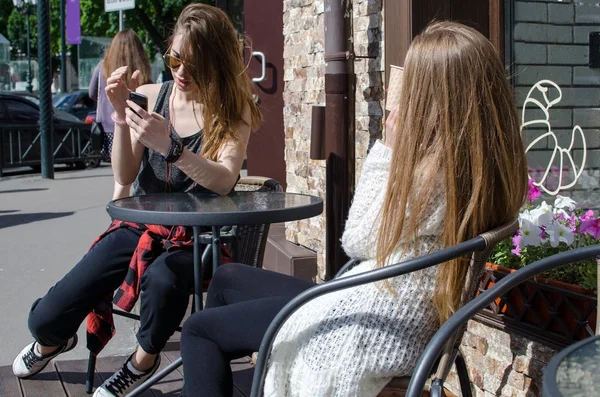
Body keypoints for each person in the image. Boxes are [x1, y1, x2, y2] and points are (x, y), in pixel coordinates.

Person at [178, 21, 529, 397]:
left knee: (200, 330)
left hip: (370, 325)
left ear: (432, 96)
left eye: (412, 82)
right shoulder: (484, 163)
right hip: (375, 300)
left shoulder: (436, 175)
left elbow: (358, 240)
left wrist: (387, 151)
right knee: (229, 279)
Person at [12, 4, 261, 397]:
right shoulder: (148, 96)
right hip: (139, 225)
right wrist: (120, 114)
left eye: (193, 64)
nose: (181, 72)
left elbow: (225, 178)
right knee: (48, 315)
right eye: (175, 58)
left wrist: (172, 148)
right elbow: (125, 176)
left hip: (200, 237)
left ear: (215, 62)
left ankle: (141, 363)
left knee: (163, 281)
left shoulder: (232, 108)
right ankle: (52, 339)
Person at [88, 29, 152, 199]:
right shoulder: (140, 66)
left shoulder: (103, 66)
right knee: (130, 170)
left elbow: (91, 93)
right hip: (136, 122)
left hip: (109, 126)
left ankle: (119, 210)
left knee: (119, 174)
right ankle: (121, 211)